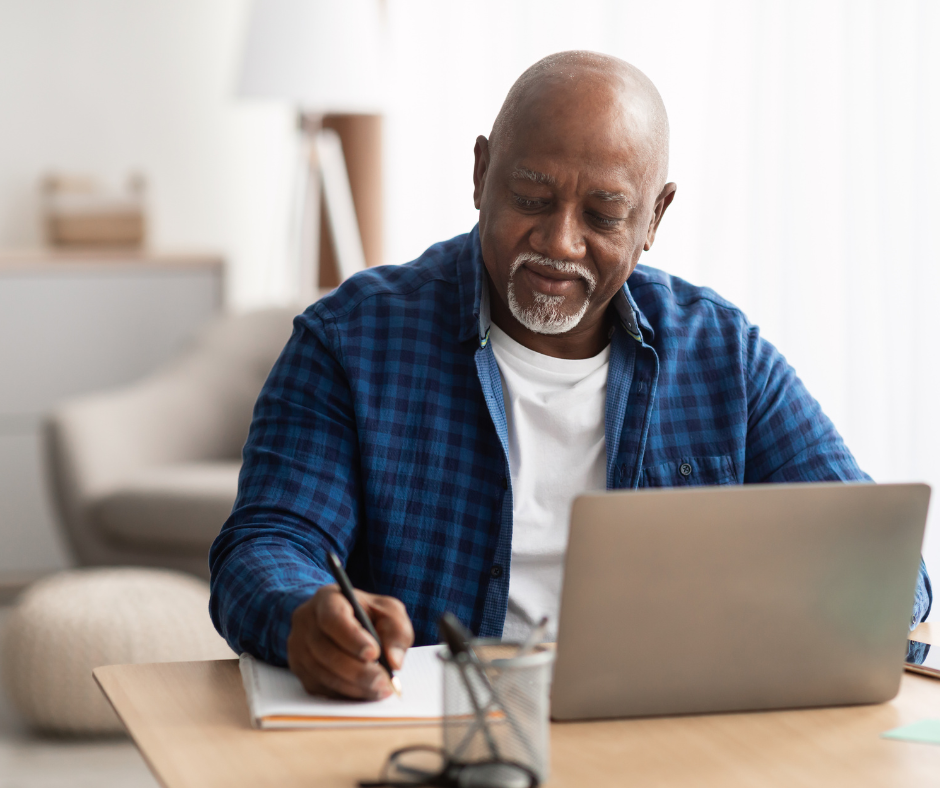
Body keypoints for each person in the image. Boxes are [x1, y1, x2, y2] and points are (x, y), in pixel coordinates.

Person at [209, 51, 932, 701]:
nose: (559, 242)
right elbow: (266, 545)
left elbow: (885, 570)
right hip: (444, 738)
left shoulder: (723, 356)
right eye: (530, 197)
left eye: (604, 213)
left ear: (655, 218)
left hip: (666, 733)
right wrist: (306, 615)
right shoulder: (352, 340)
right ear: (480, 174)